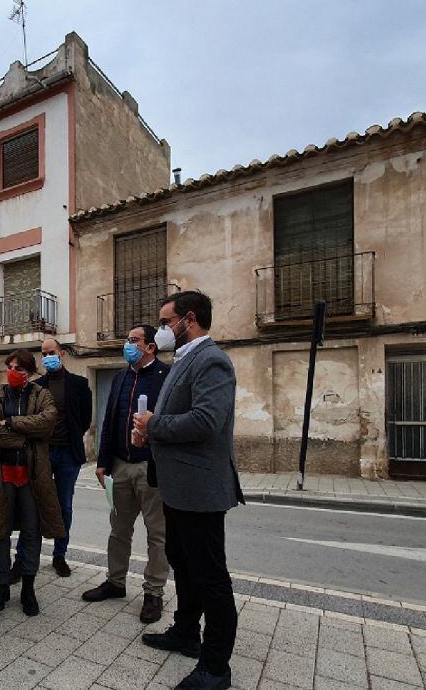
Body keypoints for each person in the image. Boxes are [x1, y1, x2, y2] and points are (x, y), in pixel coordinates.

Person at [133, 291, 245, 690]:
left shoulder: (211, 360)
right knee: (183, 563)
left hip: (200, 489)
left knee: (211, 576)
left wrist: (154, 427)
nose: (162, 330)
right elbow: (173, 418)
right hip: (177, 487)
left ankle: (216, 667)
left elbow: (205, 421)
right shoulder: (183, 359)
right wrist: (151, 433)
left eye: (165, 323)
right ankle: (184, 632)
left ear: (189, 319)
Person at [82, 325, 170, 623]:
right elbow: (109, 420)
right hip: (120, 465)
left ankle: (153, 593)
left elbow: (171, 421)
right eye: (127, 341)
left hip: (152, 467)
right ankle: (115, 582)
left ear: (150, 347)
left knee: (158, 535)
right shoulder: (121, 376)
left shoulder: (166, 376)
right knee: (119, 529)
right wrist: (103, 462)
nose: (127, 346)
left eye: (134, 341)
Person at [0, 349, 63, 617]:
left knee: (32, 532)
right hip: (0, 475)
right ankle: (2, 586)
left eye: (20, 369)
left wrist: (10, 422)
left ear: (30, 373)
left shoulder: (41, 395)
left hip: (32, 476)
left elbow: (47, 423)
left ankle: (28, 587)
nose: (14, 372)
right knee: (0, 532)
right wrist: (25, 438)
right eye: (11, 367)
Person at [12, 338, 91, 579]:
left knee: (64, 506)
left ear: (62, 353)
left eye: (51, 352)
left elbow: (85, 420)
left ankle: (60, 555)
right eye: (44, 353)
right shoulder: (35, 386)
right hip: (41, 454)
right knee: (31, 504)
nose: (47, 357)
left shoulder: (80, 384)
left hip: (68, 454)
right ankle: (22, 558)